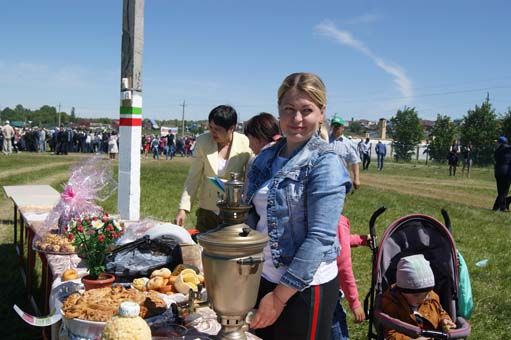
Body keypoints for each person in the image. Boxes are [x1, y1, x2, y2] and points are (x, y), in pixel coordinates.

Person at [246, 72, 351, 340]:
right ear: (279, 111)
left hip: (303, 288)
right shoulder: (267, 156)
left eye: (307, 110)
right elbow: (250, 217)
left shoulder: (325, 163)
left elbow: (319, 238)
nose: (297, 120)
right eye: (289, 110)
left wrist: (279, 298)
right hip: (263, 277)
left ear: (321, 113)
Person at [175, 105, 252, 231]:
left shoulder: (245, 142)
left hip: (235, 212)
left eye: (217, 129)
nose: (212, 132)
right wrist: (183, 209)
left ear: (231, 128)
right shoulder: (202, 141)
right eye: (210, 127)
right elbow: (193, 178)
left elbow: (251, 177)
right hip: (208, 211)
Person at [382, 254, 456, 340]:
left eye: (426, 294)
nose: (422, 298)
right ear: (402, 290)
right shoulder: (392, 304)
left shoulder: (432, 297)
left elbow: (440, 312)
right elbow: (390, 334)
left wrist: (445, 321)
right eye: (416, 295)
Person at [331, 215, 368, 340]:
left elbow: (338, 239)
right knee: (335, 326)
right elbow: (343, 268)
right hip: (328, 291)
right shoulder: (338, 221)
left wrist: (359, 240)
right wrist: (355, 303)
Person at [329, 115, 361, 189]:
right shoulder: (325, 140)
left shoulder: (348, 144)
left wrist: (356, 179)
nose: (336, 128)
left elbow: (355, 161)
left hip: (341, 178)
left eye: (338, 126)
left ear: (343, 128)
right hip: (325, 177)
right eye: (334, 125)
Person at [492, 136, 511, 212]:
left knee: (501, 191)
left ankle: (495, 207)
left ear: (501, 143)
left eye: (498, 142)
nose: (496, 144)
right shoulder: (507, 149)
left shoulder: (497, 151)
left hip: (498, 173)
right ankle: (503, 207)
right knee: (503, 192)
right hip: (506, 173)